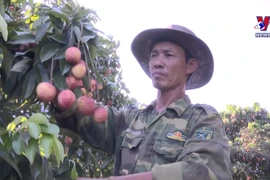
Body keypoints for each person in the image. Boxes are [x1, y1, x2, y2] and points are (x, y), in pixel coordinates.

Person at [55, 24, 232, 180]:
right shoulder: (131, 119)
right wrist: (52, 72)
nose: (157, 63)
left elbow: (199, 171)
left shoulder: (202, 119)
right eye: (154, 55)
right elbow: (85, 116)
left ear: (190, 65)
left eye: (168, 55)